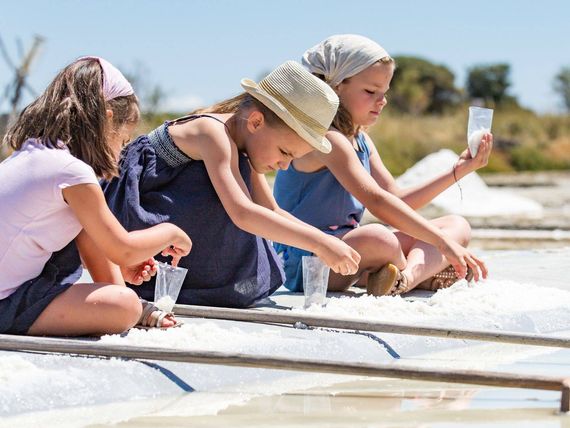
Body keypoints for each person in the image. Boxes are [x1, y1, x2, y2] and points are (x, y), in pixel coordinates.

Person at [102, 61, 361, 308]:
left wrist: (327, 240)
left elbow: (270, 210)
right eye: (284, 152)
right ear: (256, 122)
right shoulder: (212, 132)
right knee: (238, 211)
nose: (284, 165)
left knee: (253, 215)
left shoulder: (244, 147)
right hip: (142, 213)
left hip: (179, 218)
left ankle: (203, 284)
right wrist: (319, 243)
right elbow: (242, 212)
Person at [274, 35, 491, 295]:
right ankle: (418, 273)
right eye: (370, 91)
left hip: (349, 251)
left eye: (384, 93)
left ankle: (404, 278)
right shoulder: (325, 138)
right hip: (307, 262)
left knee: (456, 225)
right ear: (335, 87)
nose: (382, 100)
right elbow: (377, 202)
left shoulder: (361, 139)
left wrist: (460, 170)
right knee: (380, 238)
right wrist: (442, 245)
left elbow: (397, 200)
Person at [0, 57, 192, 336]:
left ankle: (131, 304)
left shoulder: (35, 154)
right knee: (124, 306)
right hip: (6, 302)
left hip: (11, 291)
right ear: (107, 120)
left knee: (124, 300)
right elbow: (122, 248)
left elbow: (92, 241)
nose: (120, 152)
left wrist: (119, 281)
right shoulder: (71, 171)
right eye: (123, 140)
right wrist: (170, 232)